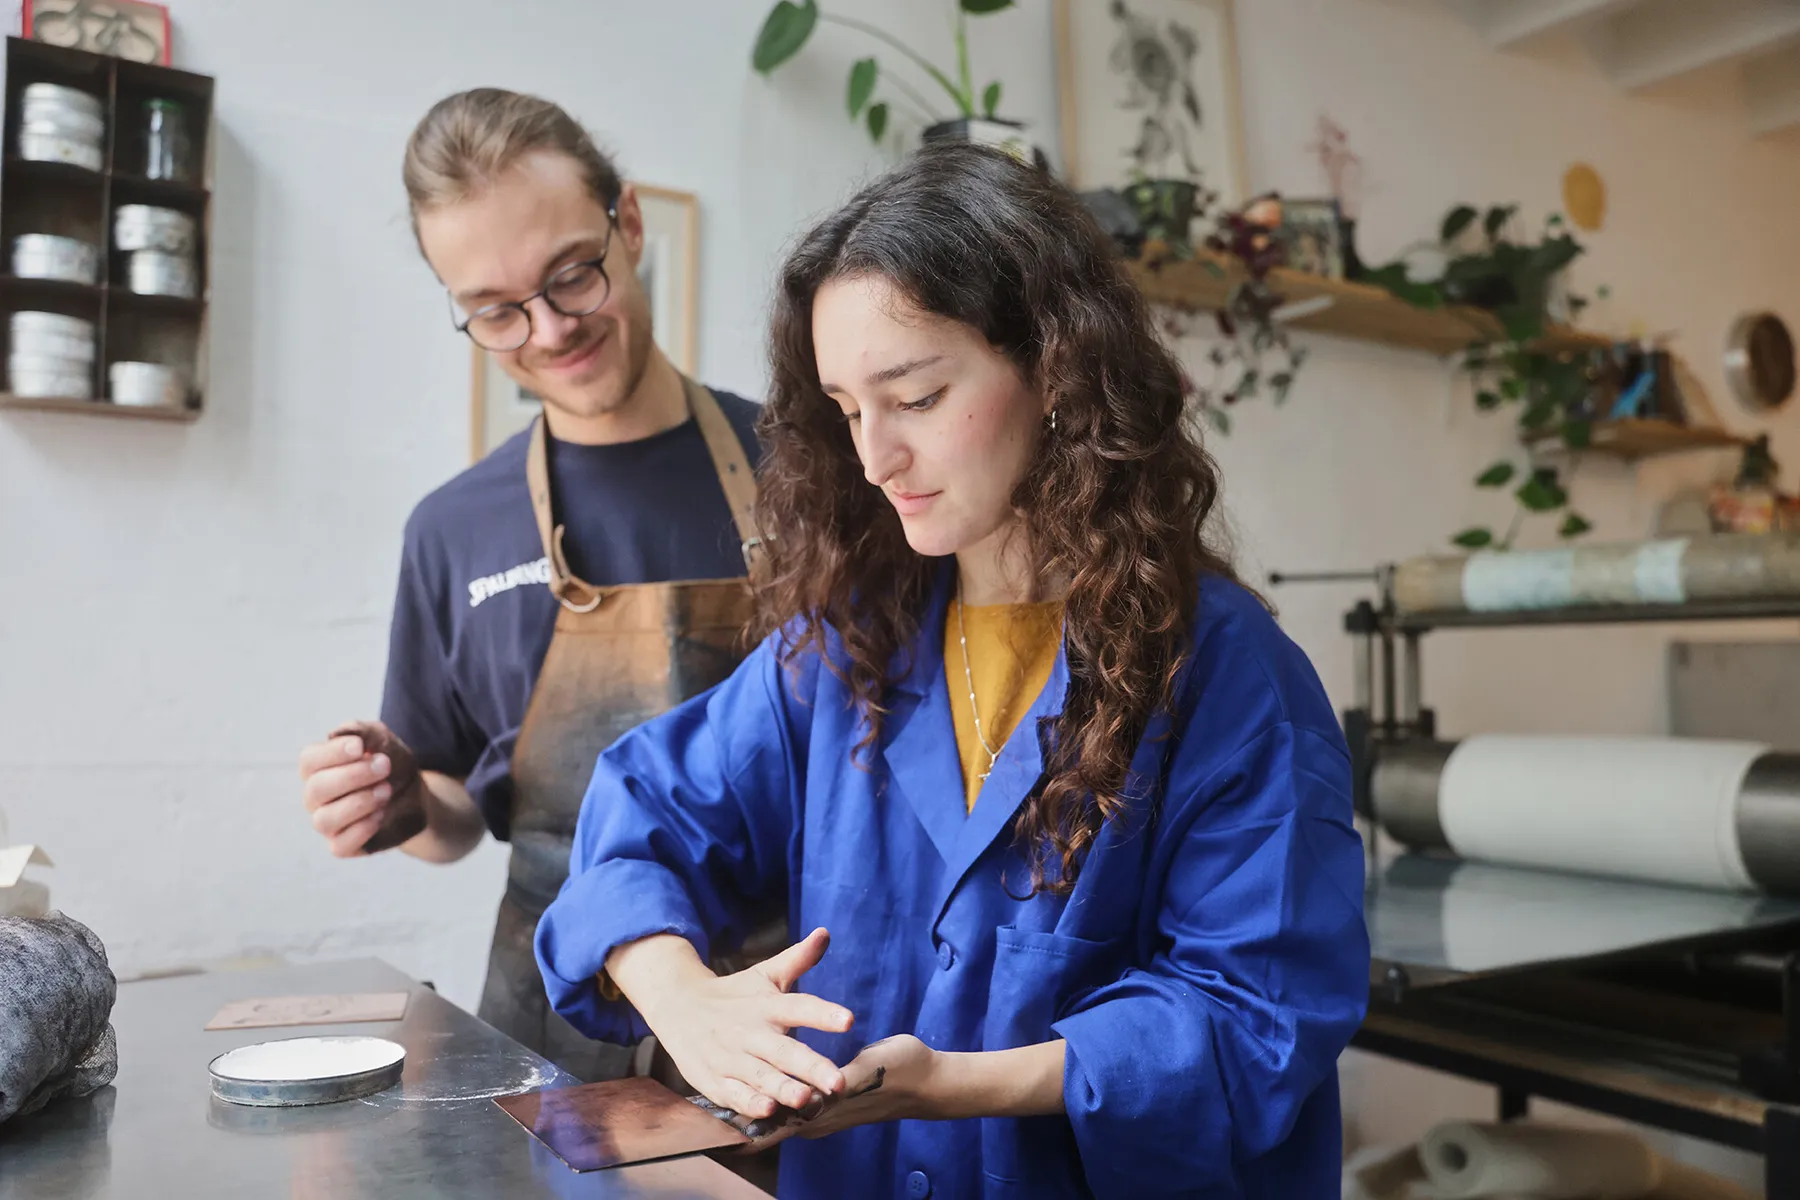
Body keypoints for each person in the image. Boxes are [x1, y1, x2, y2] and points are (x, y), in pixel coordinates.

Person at [535, 142, 1371, 1197]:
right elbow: (642, 819)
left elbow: (1257, 1015)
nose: (874, 456)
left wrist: (957, 1084)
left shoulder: (1228, 678)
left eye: (916, 397)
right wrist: (683, 996)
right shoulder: (846, 648)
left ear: (1057, 375)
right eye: (846, 409)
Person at [294, 89, 772, 1082]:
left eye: (572, 277)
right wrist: (401, 805)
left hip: (788, 996)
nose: (550, 330)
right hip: (557, 1025)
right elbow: (453, 814)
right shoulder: (452, 529)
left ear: (627, 225)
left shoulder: (806, 466)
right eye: (496, 311)